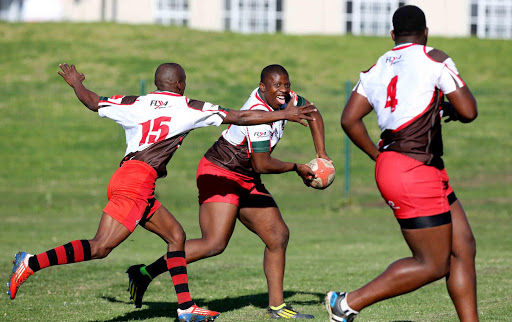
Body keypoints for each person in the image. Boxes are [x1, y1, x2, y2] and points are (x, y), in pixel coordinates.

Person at [7, 63, 317, 322]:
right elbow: (241, 116)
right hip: (137, 183)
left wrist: (75, 82)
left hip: (127, 176)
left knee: (176, 237)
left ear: (157, 83)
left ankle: (185, 308)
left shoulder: (134, 103)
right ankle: (30, 263)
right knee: (101, 247)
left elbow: (92, 101)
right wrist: (283, 115)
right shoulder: (188, 107)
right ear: (181, 84)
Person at [125, 64, 330, 319]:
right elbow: (262, 164)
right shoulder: (257, 114)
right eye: (277, 85)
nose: (283, 90)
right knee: (214, 243)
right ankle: (144, 273)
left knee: (277, 236)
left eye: (286, 84)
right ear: (262, 87)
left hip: (245, 175)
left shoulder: (288, 100)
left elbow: (314, 113)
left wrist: (321, 154)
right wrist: (297, 167)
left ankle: (277, 307)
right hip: (220, 172)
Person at [325, 5, 478, 322]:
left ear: (393, 35)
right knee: (432, 264)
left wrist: (378, 156)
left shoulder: (377, 66)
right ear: (426, 32)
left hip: (409, 166)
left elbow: (350, 119)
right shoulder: (434, 57)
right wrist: (448, 104)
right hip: (414, 169)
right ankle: (345, 304)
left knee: (463, 247)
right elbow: (469, 111)